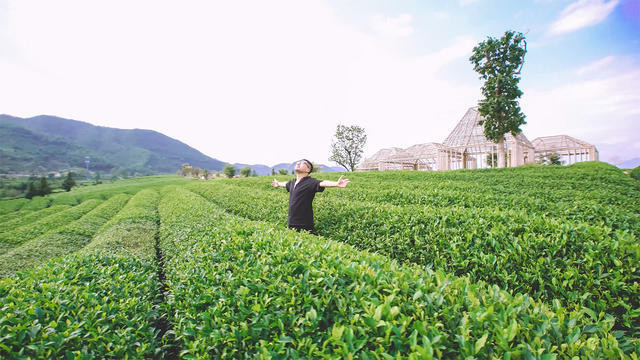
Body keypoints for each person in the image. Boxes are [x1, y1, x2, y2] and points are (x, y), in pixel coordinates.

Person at [272, 159, 350, 234]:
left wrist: (336, 184)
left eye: (302, 163)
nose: (298, 163)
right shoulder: (292, 182)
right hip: (291, 222)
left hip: (304, 224)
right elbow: (285, 184)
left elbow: (322, 183)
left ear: (308, 170)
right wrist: (278, 183)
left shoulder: (310, 182)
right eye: (298, 162)